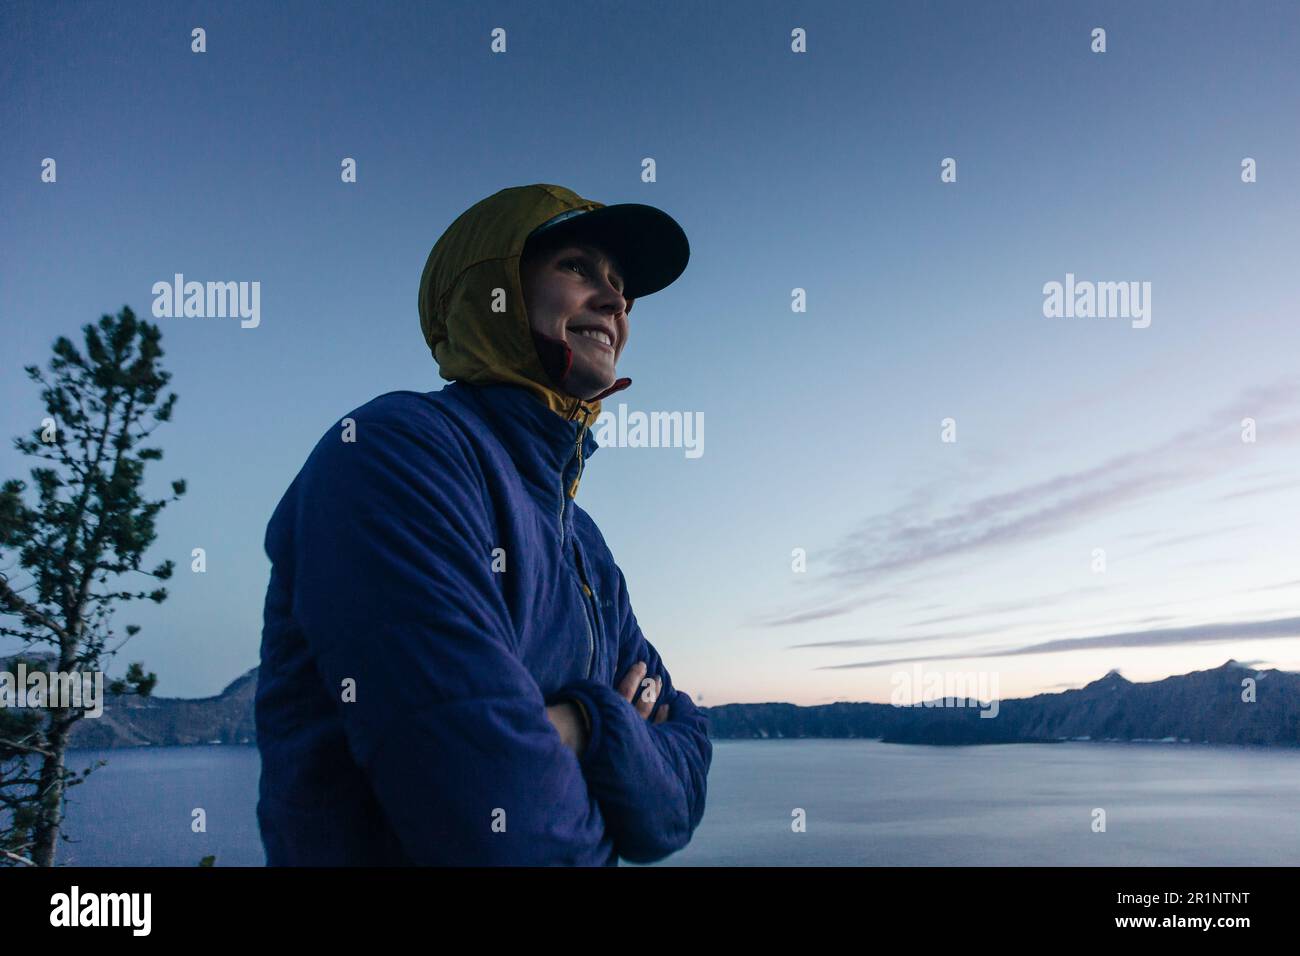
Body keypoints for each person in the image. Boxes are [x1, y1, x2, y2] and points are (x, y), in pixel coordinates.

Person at [255, 183, 711, 866]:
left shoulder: (583, 544)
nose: (615, 302)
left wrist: (586, 725)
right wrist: (612, 736)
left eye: (620, 286)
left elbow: (679, 795)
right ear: (492, 287)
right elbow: (495, 825)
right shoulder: (394, 454)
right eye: (578, 268)